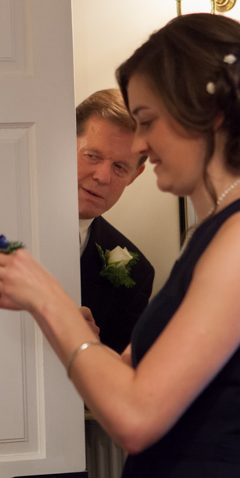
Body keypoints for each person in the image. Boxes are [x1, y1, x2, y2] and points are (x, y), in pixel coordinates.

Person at [0, 13, 240, 478]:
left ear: (206, 116)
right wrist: (43, 308)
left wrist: (47, 295)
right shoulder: (215, 228)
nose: (142, 147)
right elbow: (126, 384)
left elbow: (136, 419)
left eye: (148, 122)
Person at [76, 89, 154, 353]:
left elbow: (119, 385)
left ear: (135, 174)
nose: (102, 176)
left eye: (120, 167)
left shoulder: (137, 272)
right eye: (92, 156)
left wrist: (91, 349)